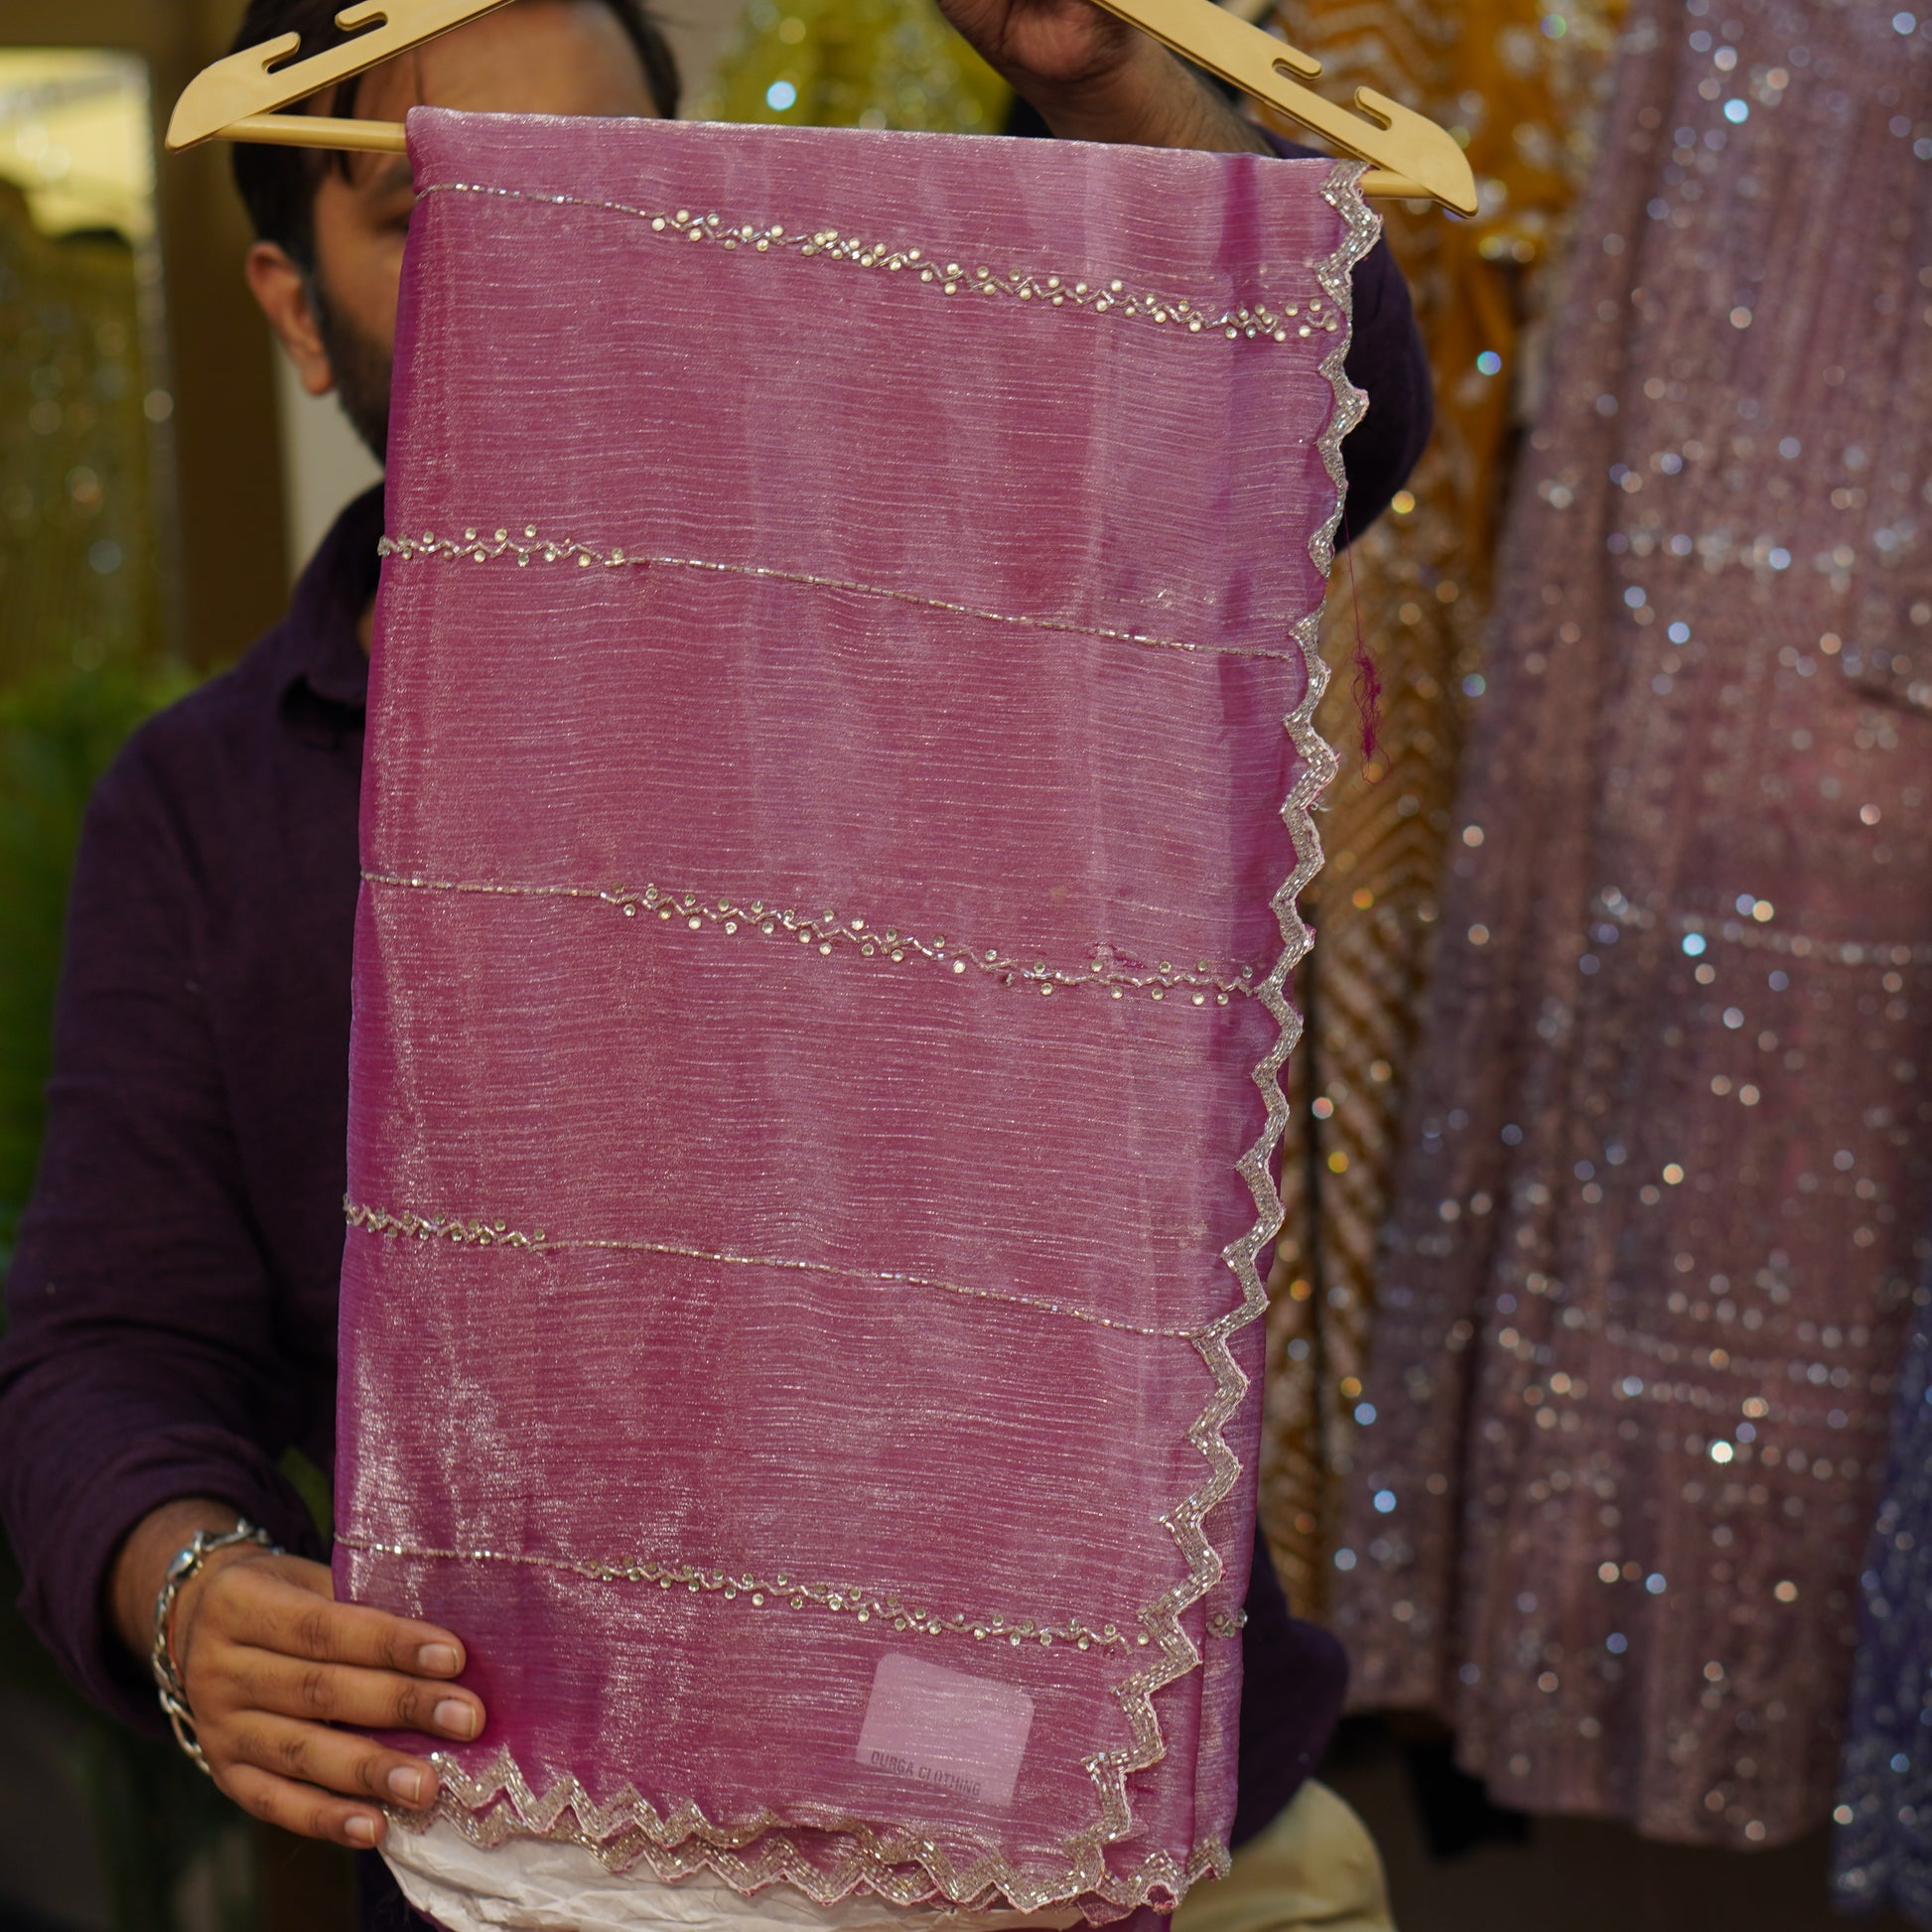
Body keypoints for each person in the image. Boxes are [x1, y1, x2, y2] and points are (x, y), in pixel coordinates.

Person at [0, 0, 1428, 1921]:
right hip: (548, 1863)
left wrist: (1106, 78)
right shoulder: (210, 803)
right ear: (291, 304)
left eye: (615, 190)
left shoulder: (967, 573)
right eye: (435, 213)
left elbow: (1293, 411)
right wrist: (183, 1583)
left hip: (1138, 1846)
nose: (549, 267)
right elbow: (106, 1343)